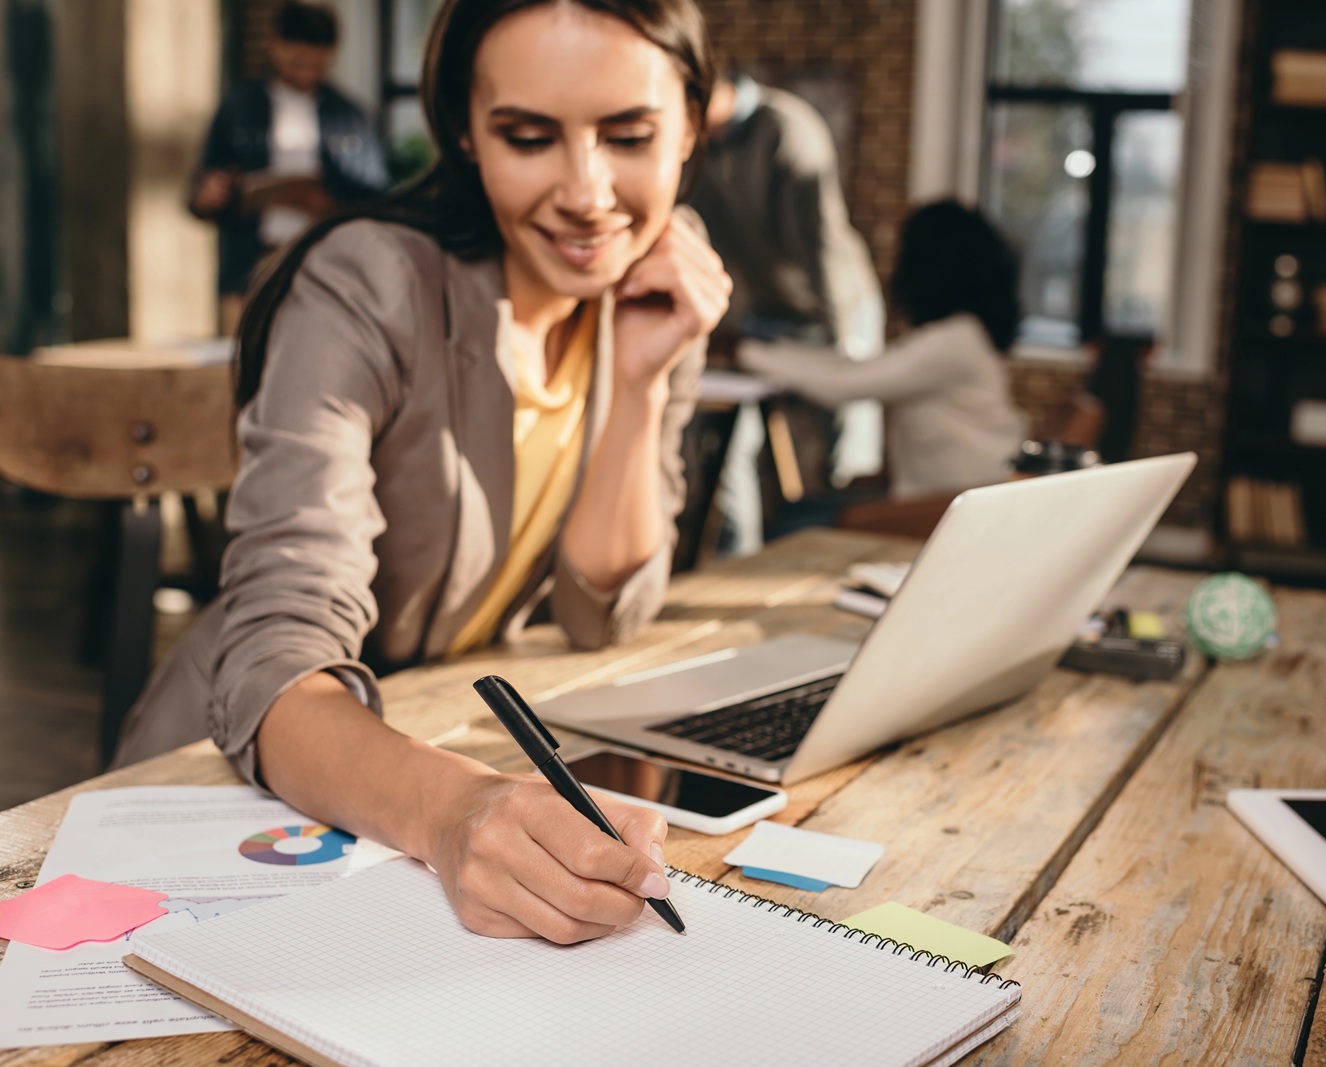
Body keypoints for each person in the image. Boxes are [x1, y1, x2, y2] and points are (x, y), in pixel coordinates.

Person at [117, 0, 730, 946]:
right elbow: (279, 656)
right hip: (230, 798)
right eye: (529, 136)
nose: (588, 192)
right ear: (465, 134)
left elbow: (599, 611)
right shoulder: (367, 283)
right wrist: (456, 811)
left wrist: (642, 380)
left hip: (413, 793)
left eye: (630, 134)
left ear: (693, 122)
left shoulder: (656, 285)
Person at [687, 70, 885, 551]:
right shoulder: (698, 145)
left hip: (832, 308)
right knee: (729, 441)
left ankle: (830, 555)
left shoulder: (787, 129)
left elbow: (821, 247)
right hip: (765, 312)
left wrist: (841, 351)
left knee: (836, 450)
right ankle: (740, 558)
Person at [739, 199, 1027, 499]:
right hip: (943, 500)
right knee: (802, 509)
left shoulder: (956, 340)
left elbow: (843, 384)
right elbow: (849, 368)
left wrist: (744, 353)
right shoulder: (959, 335)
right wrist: (762, 350)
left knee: (792, 520)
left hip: (947, 509)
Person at [188, 2, 388, 334]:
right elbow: (201, 190)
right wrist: (212, 193)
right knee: (242, 367)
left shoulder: (349, 116)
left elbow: (376, 199)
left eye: (317, 59)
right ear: (274, 45)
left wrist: (329, 204)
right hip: (250, 266)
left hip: (326, 268)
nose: (307, 67)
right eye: (298, 57)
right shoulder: (240, 107)